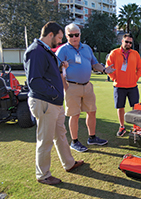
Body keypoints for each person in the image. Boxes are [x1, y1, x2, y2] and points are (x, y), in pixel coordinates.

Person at [23, 21, 84, 185]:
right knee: (45, 139)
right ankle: (42, 174)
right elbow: (34, 81)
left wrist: (60, 67)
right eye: (59, 37)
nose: (60, 41)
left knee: (60, 135)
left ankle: (69, 163)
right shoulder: (36, 51)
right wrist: (54, 94)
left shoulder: (44, 50)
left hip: (53, 102)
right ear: (50, 34)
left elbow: (47, 73)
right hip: (45, 102)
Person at [56, 23, 115, 152]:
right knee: (74, 115)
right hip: (71, 86)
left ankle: (92, 137)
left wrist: (105, 69)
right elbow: (57, 69)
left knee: (92, 111)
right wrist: (64, 86)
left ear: (80, 35)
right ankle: (75, 141)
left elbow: (95, 64)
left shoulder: (87, 48)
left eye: (76, 34)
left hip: (87, 86)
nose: (74, 37)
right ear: (66, 36)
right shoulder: (63, 50)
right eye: (71, 35)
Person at [106, 33, 141, 136]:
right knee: (120, 107)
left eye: (130, 42)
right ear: (122, 41)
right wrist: (115, 78)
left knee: (135, 107)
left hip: (132, 86)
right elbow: (108, 68)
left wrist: (135, 78)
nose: (128, 44)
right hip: (119, 86)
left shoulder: (135, 54)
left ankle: (136, 127)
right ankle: (122, 127)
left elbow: (140, 68)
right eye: (126, 42)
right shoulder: (114, 53)